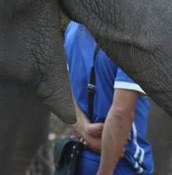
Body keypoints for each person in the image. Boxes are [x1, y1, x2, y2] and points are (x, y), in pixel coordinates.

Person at [65, 21, 154, 175]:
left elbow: (64, 89)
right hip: (120, 164)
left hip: (76, 159)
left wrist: (84, 130)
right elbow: (121, 114)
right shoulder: (133, 37)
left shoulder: (73, 27)